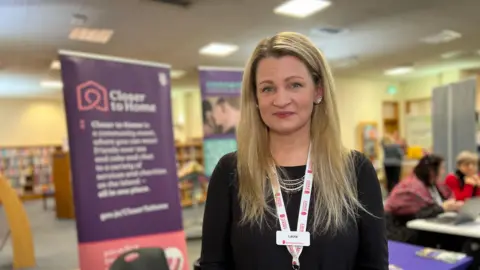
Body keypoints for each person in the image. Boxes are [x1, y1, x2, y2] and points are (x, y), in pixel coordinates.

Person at [200, 32, 387, 270]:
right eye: (268, 89)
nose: (281, 99)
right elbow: (213, 264)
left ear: (318, 91)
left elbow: (374, 265)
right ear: (255, 97)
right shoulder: (231, 172)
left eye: (295, 85)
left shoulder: (356, 170)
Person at [384, 154, 463, 244]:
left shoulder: (434, 185)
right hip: (400, 230)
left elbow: (440, 203)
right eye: (441, 168)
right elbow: (416, 214)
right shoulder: (410, 188)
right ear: (431, 171)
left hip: (422, 226)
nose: (443, 171)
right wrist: (443, 208)